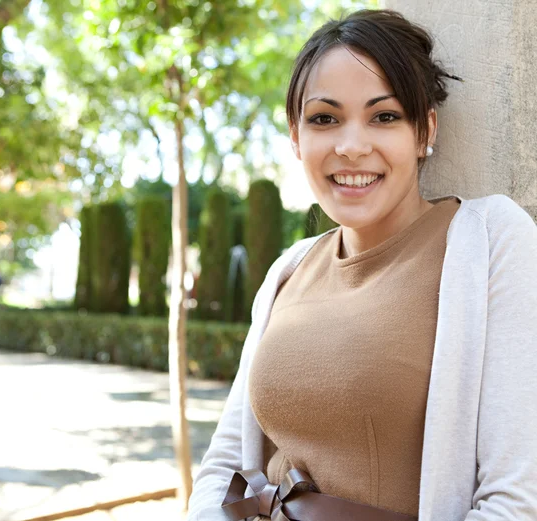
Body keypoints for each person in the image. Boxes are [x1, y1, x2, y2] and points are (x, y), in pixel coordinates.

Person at [187, 9, 537, 521]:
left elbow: (515, 497)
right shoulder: (288, 270)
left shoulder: (491, 241)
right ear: (296, 137)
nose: (351, 147)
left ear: (425, 131)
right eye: (324, 118)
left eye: (385, 116)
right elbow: (223, 467)